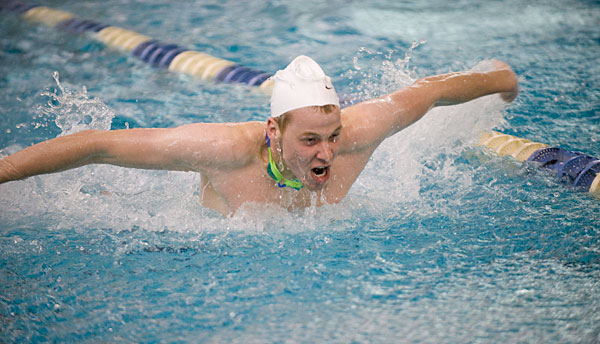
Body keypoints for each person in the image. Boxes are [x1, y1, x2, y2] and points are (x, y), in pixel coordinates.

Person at [0, 55, 518, 215]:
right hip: (194, 242)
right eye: (311, 140)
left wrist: (499, 80)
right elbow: (99, 145)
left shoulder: (359, 133)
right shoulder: (225, 150)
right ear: (274, 131)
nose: (328, 152)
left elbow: (427, 93)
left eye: (332, 136)